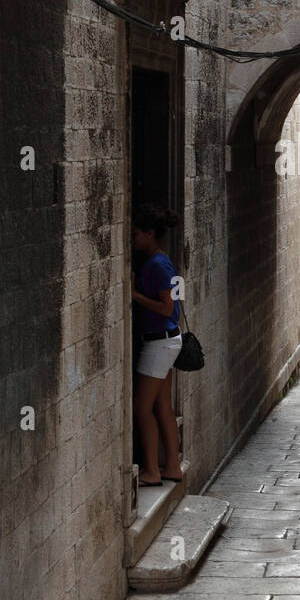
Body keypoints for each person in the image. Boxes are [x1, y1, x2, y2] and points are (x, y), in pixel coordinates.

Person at [131, 204, 184, 486]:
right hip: (166, 342)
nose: (134, 239)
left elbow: (167, 309)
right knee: (162, 404)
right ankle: (172, 466)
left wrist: (134, 295)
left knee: (142, 407)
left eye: (137, 234)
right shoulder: (160, 261)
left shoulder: (158, 265)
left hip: (159, 344)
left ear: (150, 234)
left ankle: (152, 470)